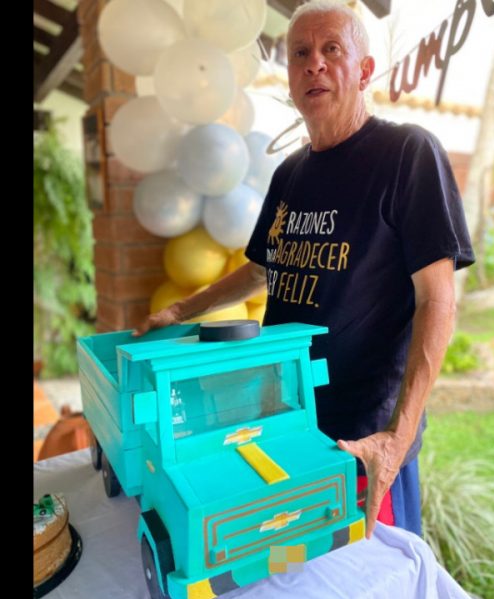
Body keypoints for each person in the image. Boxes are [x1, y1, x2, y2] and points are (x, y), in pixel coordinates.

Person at [134, 0, 474, 538]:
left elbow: (438, 300)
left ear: (364, 71)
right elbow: (259, 271)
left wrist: (397, 437)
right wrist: (181, 308)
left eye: (331, 49)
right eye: (300, 53)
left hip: (361, 444)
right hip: (283, 425)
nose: (314, 63)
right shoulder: (290, 172)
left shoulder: (408, 154)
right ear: (290, 78)